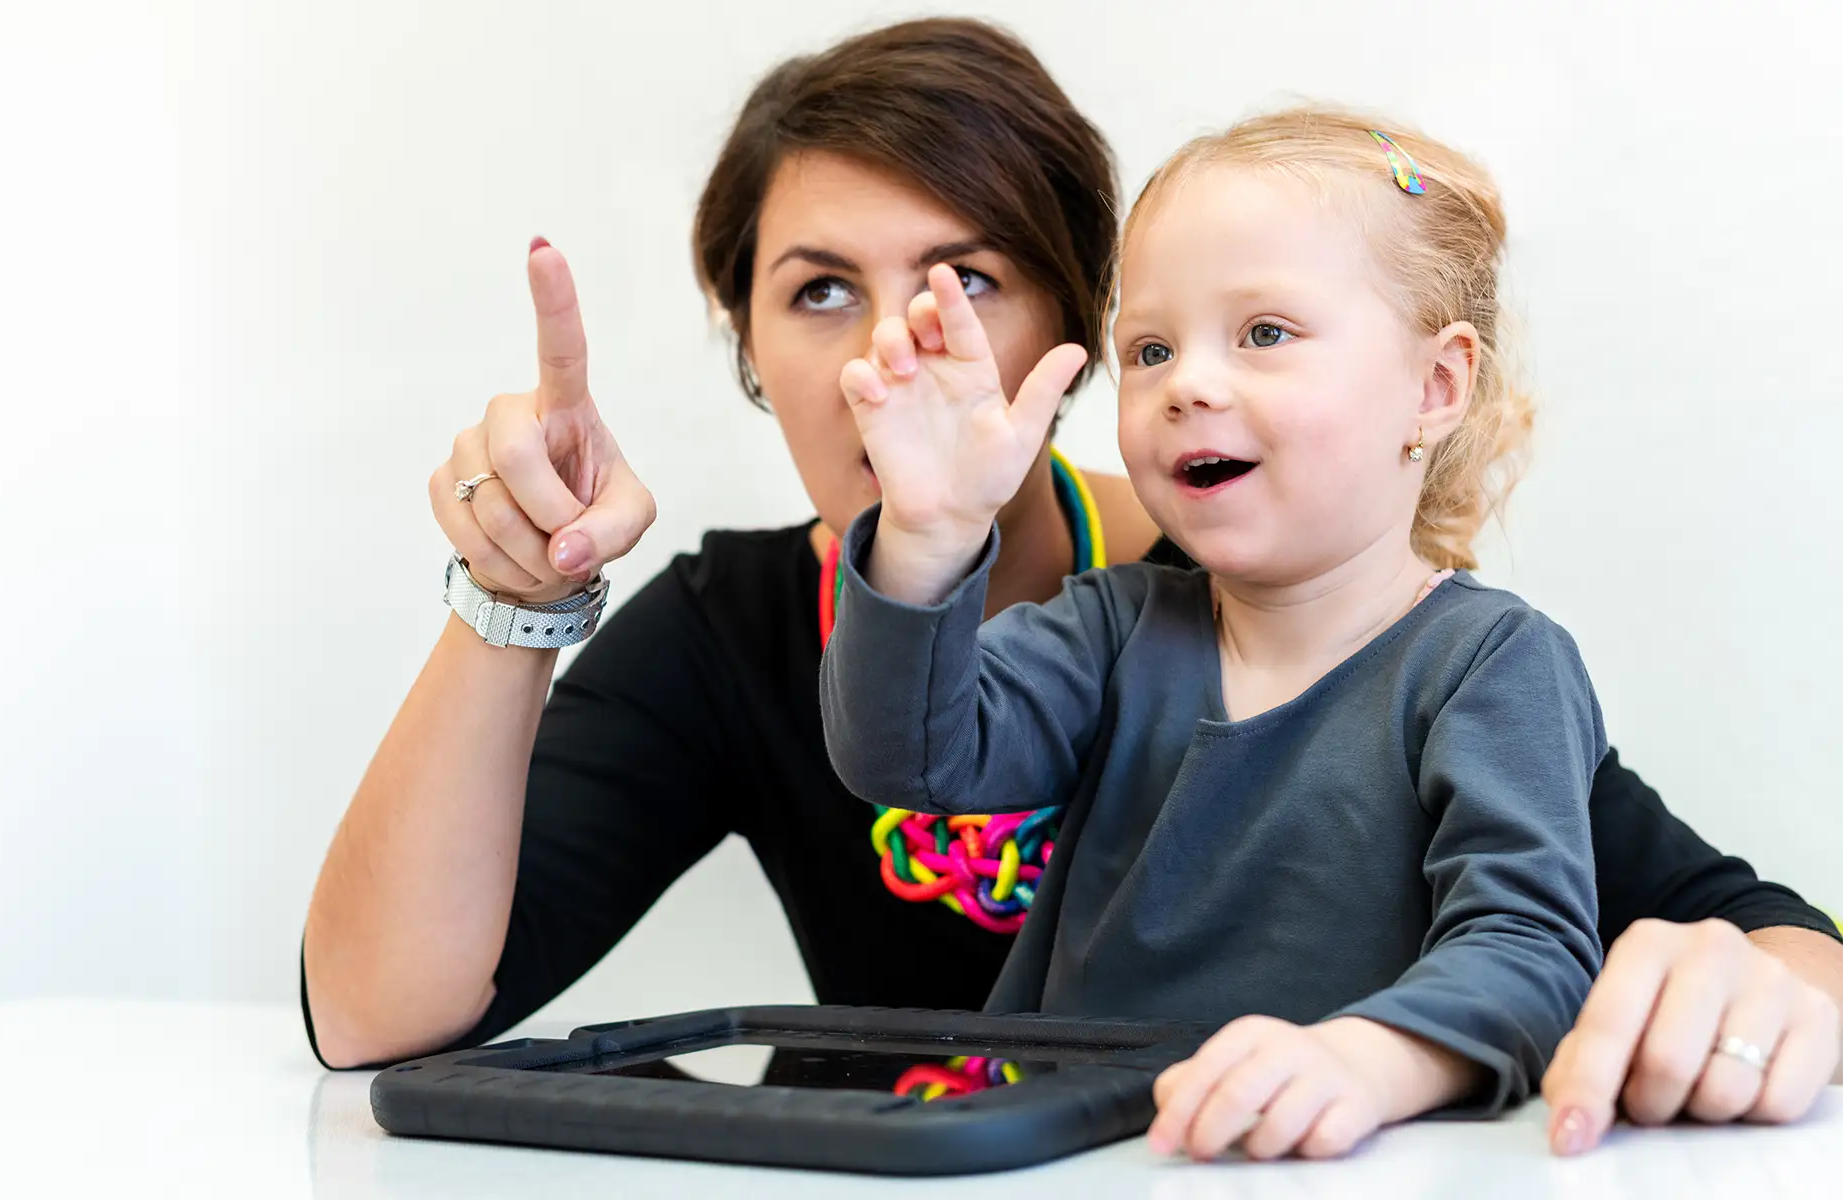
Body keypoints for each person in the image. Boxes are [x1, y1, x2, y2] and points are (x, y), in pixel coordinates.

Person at [299, 17, 1843, 1156]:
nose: (899, 350)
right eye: (819, 289)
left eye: (967, 280)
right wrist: (531, 583)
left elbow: (1627, 933)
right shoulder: (1002, 630)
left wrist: (1749, 997)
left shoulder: (1409, 636)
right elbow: (377, 1022)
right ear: (751, 353)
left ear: (1069, 333)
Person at [823, 105, 1615, 1158]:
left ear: (1436, 387)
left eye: (1264, 334)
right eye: (1149, 349)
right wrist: (929, 533)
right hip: (1072, 1163)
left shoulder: (1490, 668)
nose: (1187, 384)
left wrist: (1367, 1061)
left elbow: (1529, 947)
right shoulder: (1113, 625)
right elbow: (906, 757)